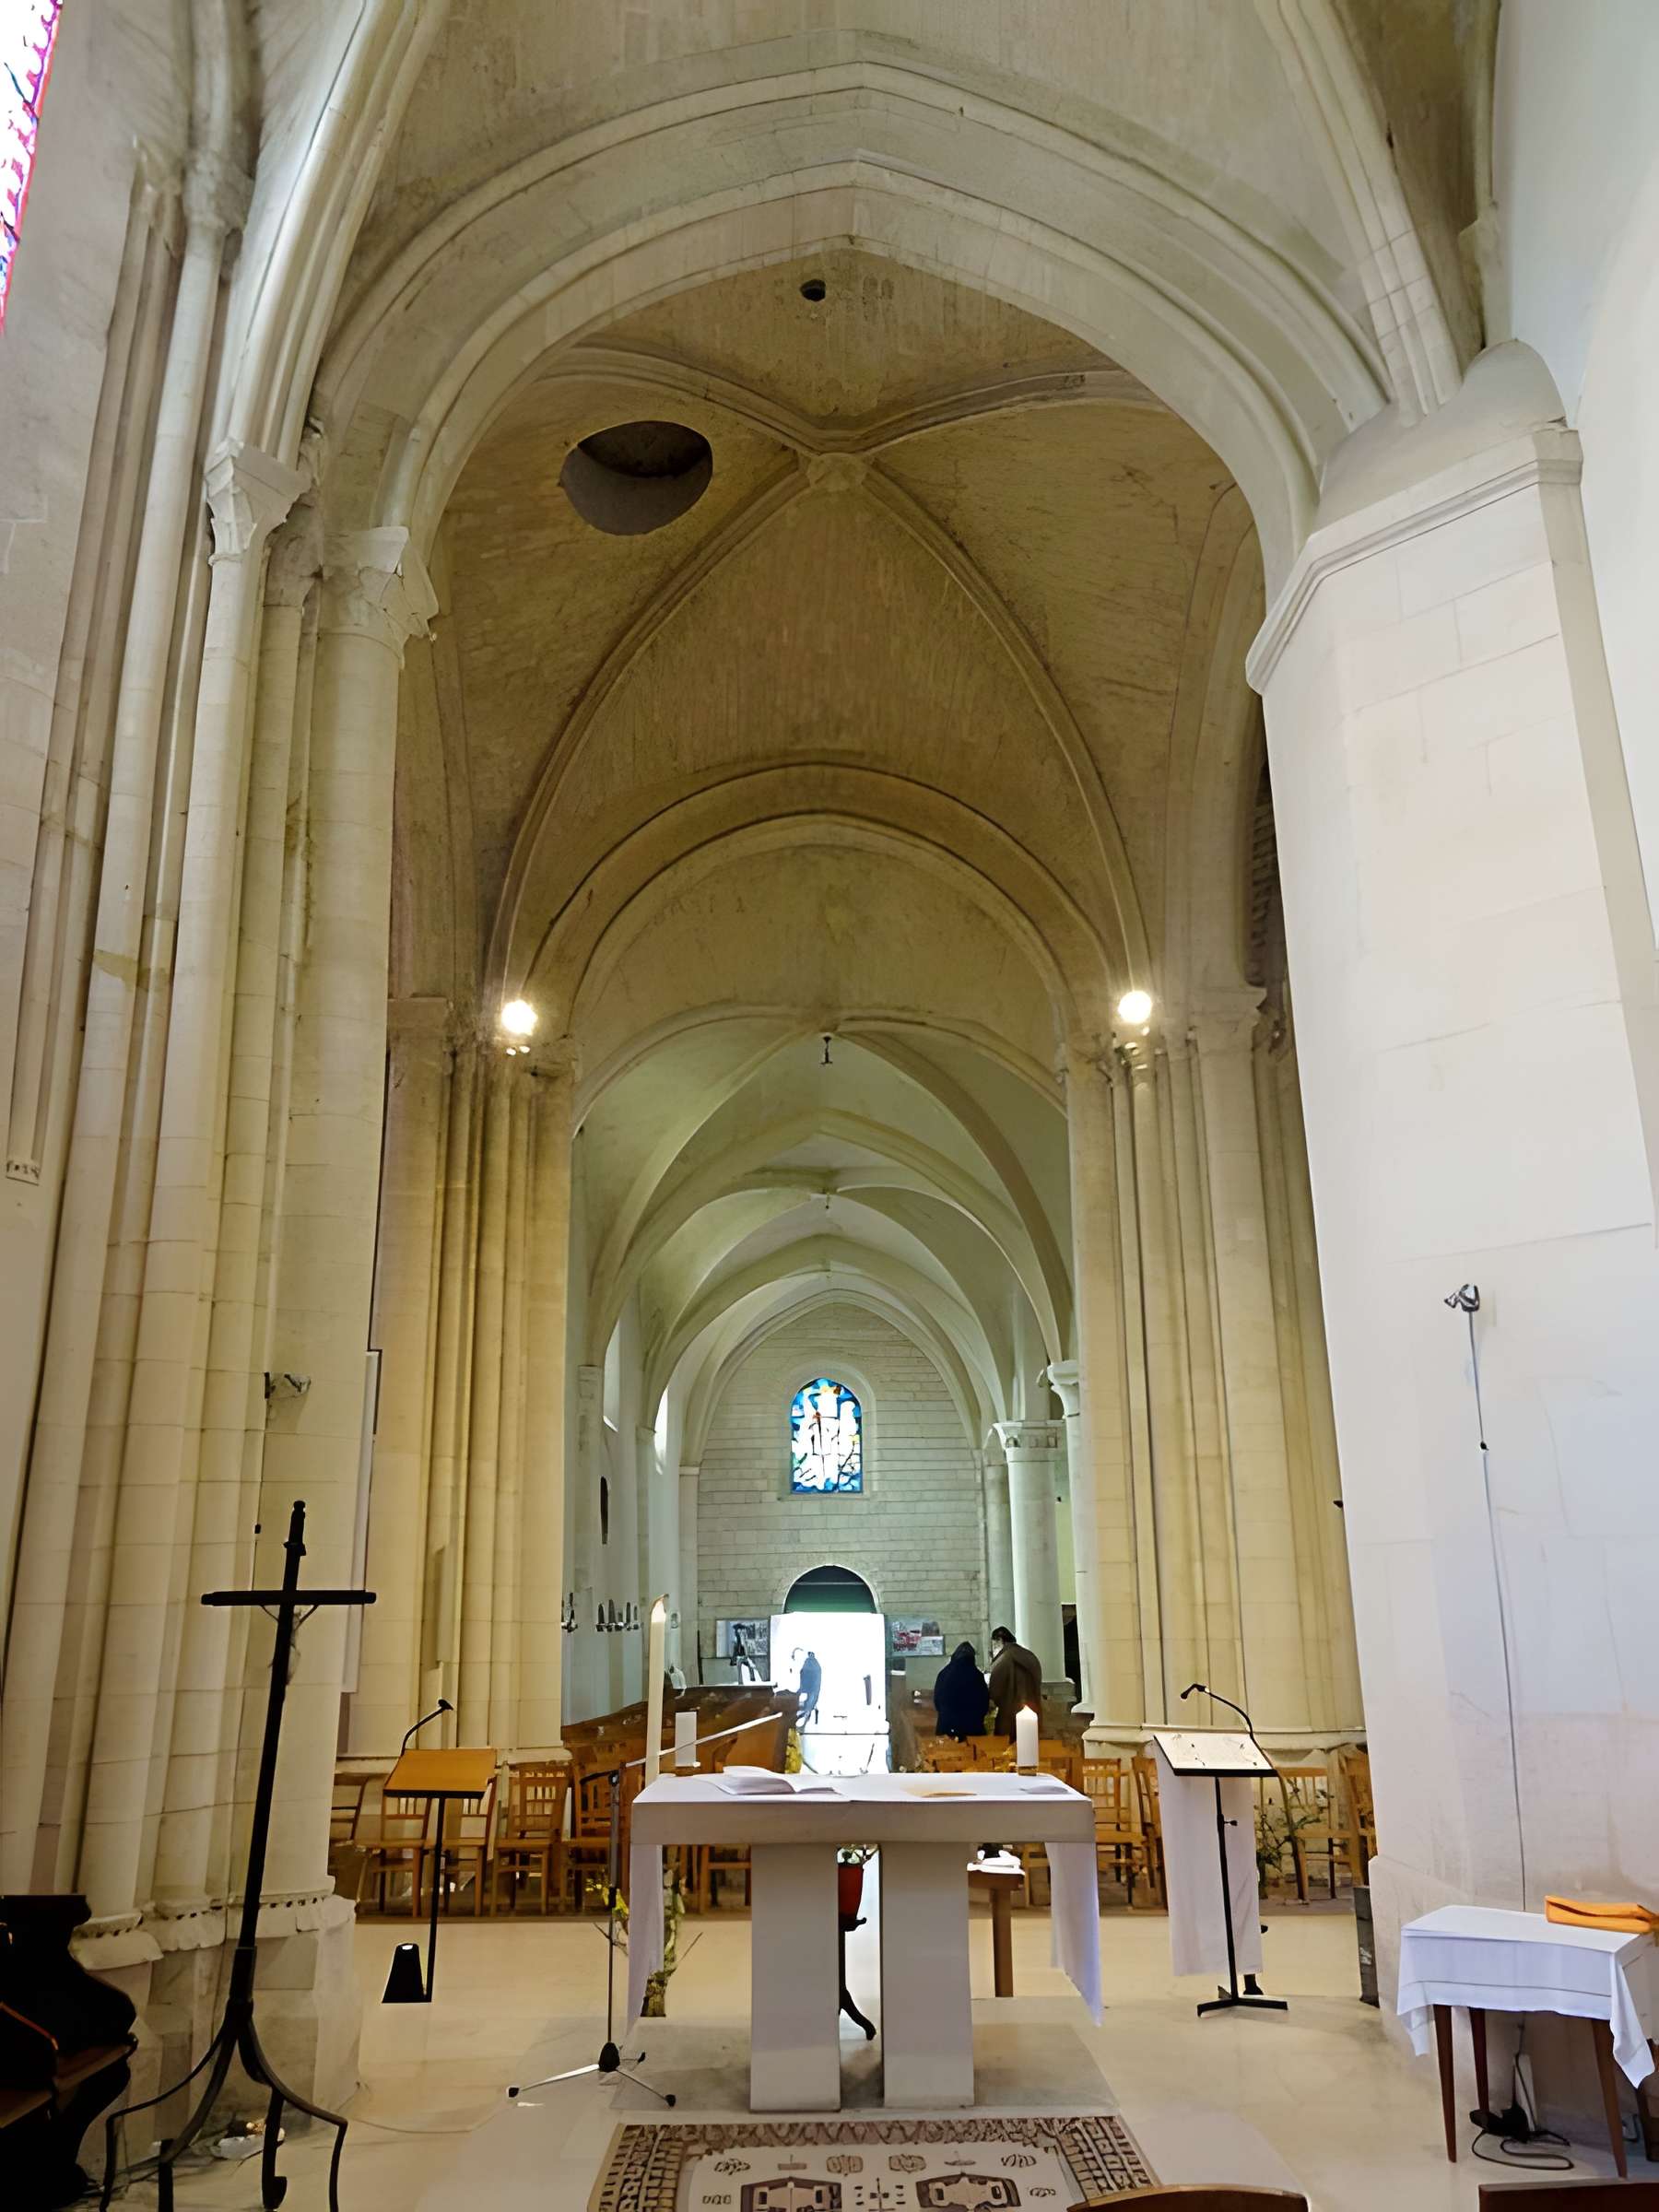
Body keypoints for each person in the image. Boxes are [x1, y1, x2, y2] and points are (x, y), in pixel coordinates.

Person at [986, 1624, 1042, 1737]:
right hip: (1032, 1714)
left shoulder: (1003, 1660)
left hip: (1009, 1718)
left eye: (993, 1645)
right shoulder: (1030, 1656)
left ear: (999, 1641)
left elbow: (995, 1692)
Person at [932, 1641, 990, 1740]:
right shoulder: (976, 1675)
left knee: (948, 1755)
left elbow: (937, 1701)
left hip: (947, 1728)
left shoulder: (943, 1674)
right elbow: (984, 1703)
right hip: (972, 1729)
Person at [796, 1648, 822, 1727]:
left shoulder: (813, 1664)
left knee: (810, 1700)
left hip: (811, 1686)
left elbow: (803, 1673)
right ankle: (806, 1713)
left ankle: (806, 1713)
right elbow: (803, 1673)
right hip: (810, 1686)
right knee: (809, 1699)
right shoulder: (812, 1663)